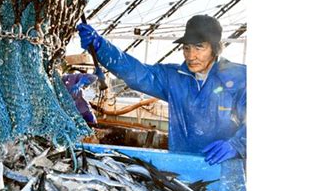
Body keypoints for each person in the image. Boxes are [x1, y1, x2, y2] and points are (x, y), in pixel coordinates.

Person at [76, 15, 246, 165]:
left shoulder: (240, 78)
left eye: (199, 47)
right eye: (186, 48)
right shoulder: (173, 76)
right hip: (181, 164)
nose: (190, 55)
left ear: (215, 49)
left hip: (226, 166)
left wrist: (237, 145)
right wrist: (101, 48)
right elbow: (137, 73)